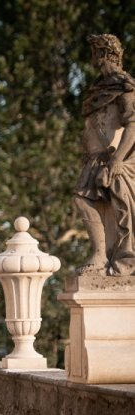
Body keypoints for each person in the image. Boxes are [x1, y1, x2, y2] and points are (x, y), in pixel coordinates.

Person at [73, 33, 135, 276]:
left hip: (113, 159)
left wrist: (118, 160)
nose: (93, 59)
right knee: (83, 199)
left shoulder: (125, 87)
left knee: (90, 200)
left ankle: (104, 255)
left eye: (95, 53)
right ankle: (101, 254)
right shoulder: (100, 89)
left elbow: (132, 124)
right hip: (95, 158)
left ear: (104, 54)